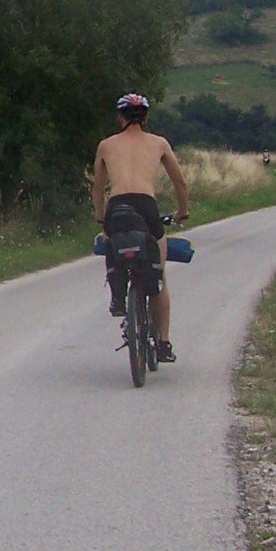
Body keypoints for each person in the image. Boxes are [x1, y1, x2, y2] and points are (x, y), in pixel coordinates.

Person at [93, 92, 191, 362]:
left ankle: (118, 296)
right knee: (159, 275)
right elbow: (180, 183)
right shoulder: (159, 143)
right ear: (145, 117)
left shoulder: (106, 145)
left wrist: (102, 219)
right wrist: (182, 211)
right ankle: (164, 343)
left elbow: (98, 187)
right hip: (146, 206)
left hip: (118, 206)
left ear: (120, 117)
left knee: (112, 242)